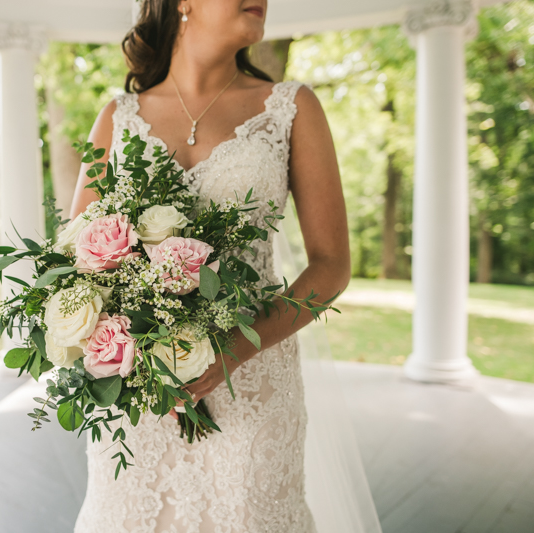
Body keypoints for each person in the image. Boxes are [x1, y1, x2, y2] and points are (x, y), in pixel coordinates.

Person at [68, 1, 381, 531]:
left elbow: (331, 265)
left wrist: (236, 349)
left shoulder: (290, 108)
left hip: (254, 388)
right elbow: (76, 262)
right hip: (141, 395)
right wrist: (132, 347)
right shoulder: (116, 118)